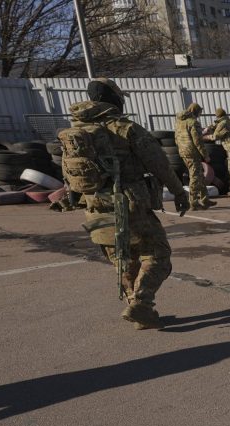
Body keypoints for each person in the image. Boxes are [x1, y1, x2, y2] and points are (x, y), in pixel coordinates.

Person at [60, 78, 190, 329]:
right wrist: (179, 192)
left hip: (95, 205)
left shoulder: (76, 130)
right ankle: (141, 303)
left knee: (124, 259)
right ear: (114, 98)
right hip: (129, 203)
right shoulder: (124, 128)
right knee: (157, 254)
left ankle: (140, 311)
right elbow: (159, 164)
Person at [175, 102, 214, 209]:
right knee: (195, 176)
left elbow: (176, 138)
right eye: (200, 112)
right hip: (192, 152)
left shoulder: (179, 122)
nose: (200, 114)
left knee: (199, 174)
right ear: (196, 111)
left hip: (183, 151)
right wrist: (205, 155)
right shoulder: (193, 122)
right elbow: (198, 141)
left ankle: (205, 199)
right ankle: (193, 202)